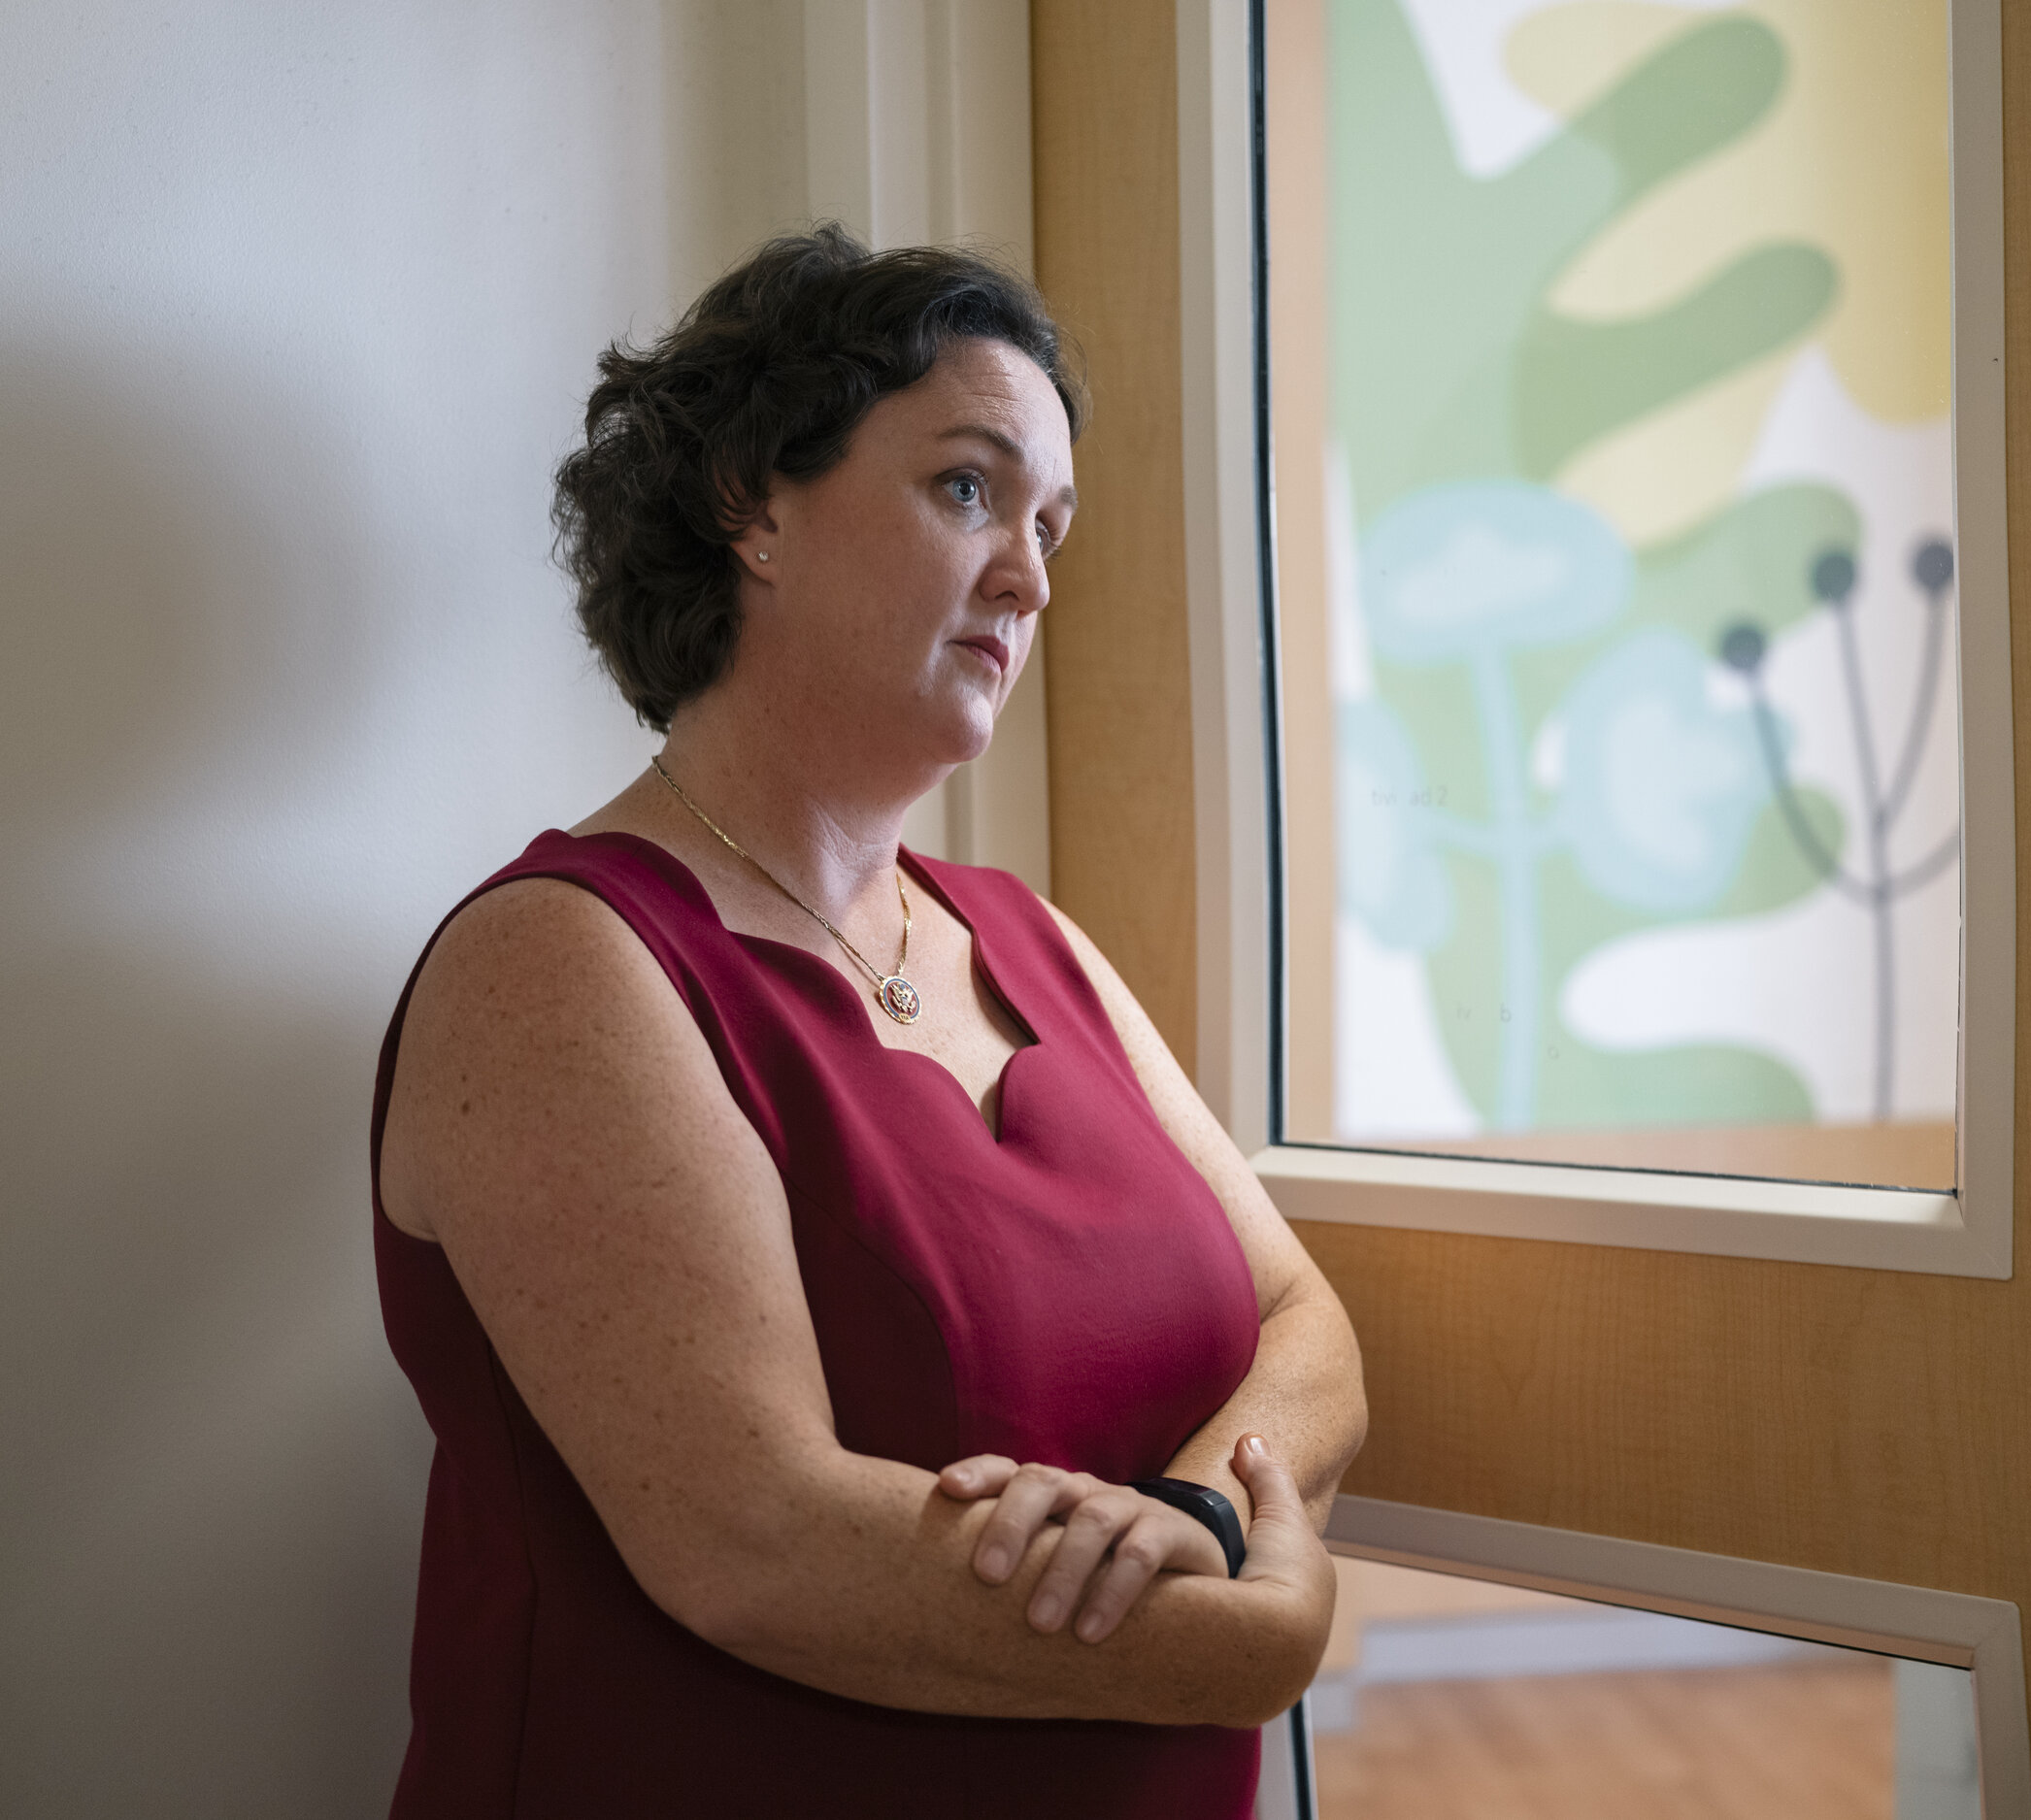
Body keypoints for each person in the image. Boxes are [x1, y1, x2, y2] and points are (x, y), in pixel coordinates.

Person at [370, 227, 1367, 1818]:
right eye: (969, 488)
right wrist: (1248, 1638)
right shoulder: (558, 963)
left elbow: (1305, 1324)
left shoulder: (1030, 940)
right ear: (751, 505)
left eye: (1051, 524)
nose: (1031, 577)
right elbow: (754, 1542)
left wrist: (1201, 1516)